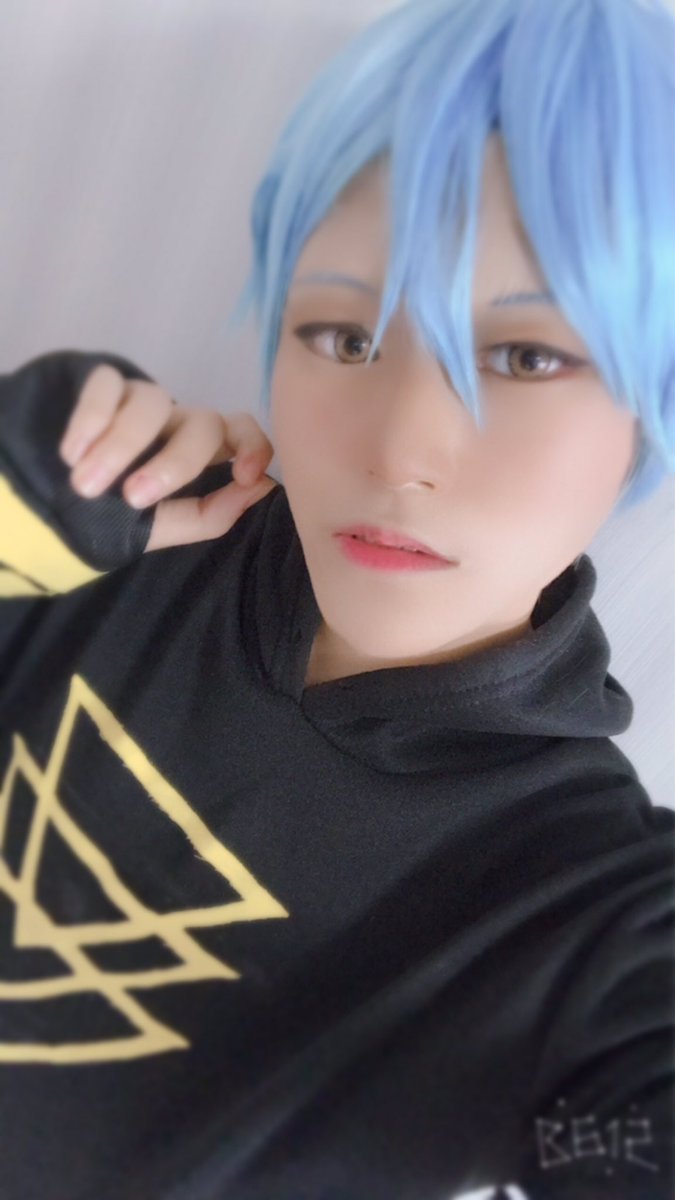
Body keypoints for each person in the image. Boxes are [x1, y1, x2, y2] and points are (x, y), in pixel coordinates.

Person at [1, 0, 673, 1197]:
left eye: (526, 357)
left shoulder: (588, 909)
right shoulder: (92, 514)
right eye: (343, 336)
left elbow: (624, 1141)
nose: (400, 450)